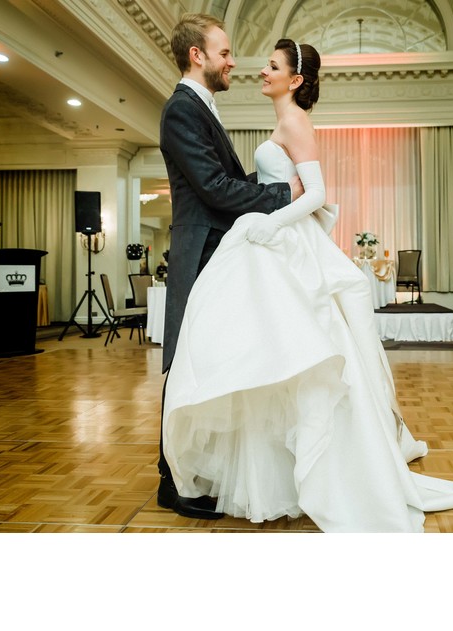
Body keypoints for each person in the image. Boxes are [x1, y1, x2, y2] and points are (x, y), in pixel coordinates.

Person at [162, 39, 453, 532]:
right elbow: (253, 182)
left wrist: (269, 221)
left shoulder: (294, 122)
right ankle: (272, 471)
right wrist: (269, 206)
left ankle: (325, 469)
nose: (257, 70)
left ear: (294, 79)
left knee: (301, 353)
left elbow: (318, 195)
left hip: (284, 242)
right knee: (273, 354)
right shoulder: (277, 121)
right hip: (271, 239)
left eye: (271, 66)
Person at [157, 14, 302, 519]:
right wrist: (284, 194)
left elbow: (225, 181)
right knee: (185, 363)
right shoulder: (181, 110)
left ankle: (193, 471)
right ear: (197, 55)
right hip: (198, 253)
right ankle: (171, 481)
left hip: (219, 252)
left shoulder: (202, 108)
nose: (233, 61)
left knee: (212, 362)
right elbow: (215, 189)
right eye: (224, 52)